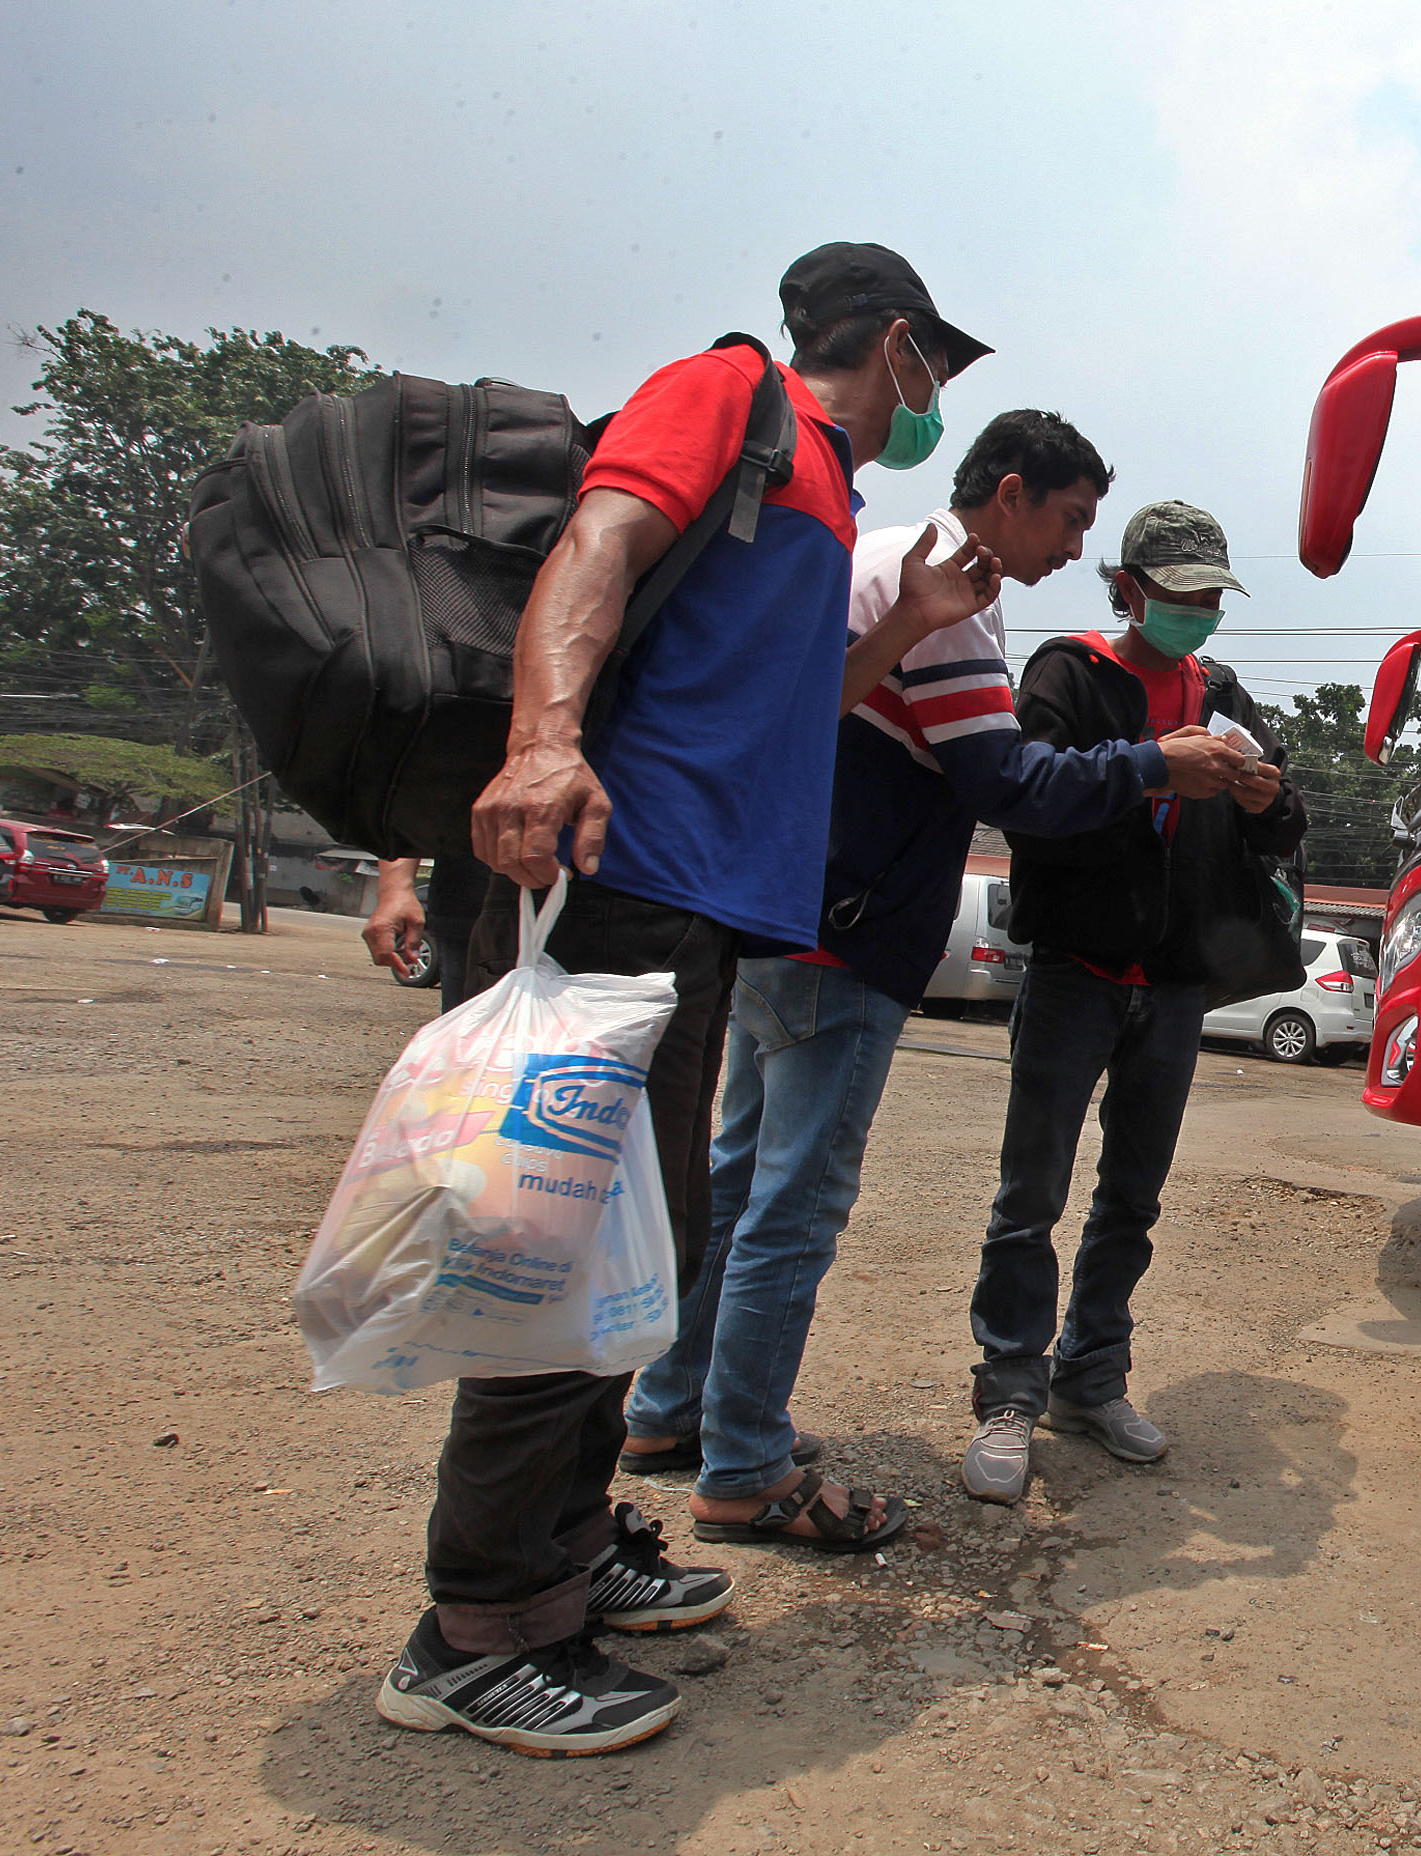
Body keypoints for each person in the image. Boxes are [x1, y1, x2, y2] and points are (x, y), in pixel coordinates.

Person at [376, 242, 1000, 1758]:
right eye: (936, 367)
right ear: (898, 343)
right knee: (552, 1249)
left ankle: (573, 1544)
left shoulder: (825, 490)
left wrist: (905, 625)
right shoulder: (733, 395)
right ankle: (478, 1628)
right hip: (617, 875)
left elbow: (792, 710)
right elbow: (596, 542)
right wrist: (543, 740)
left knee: (636, 1252)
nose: (936, 399)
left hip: (702, 911)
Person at [618, 413, 1251, 1543]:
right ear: (1011, 495)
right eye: (1069, 520)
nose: (1069, 546)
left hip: (789, 911)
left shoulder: (883, 562)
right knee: (799, 1206)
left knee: (742, 1178)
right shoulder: (958, 597)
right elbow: (1006, 781)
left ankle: (673, 1410)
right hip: (854, 932)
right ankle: (747, 1461)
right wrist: (1154, 764)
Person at [960, 500, 1305, 1504]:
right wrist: (1154, 771)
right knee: (1031, 1196)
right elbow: (1025, 798)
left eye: (1212, 595)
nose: (1199, 610)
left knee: (1132, 1198)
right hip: (1078, 973)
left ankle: (1090, 1379)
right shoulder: (1068, 674)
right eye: (1181, 592)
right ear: (1128, 588)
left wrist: (1265, 800)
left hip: (1176, 985)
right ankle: (1010, 1393)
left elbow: (1284, 820)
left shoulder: (1221, 689)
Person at [364, 849, 492, 1008]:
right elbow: (405, 834)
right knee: (468, 1017)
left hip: (478, 906)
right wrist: (394, 891)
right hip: (470, 909)